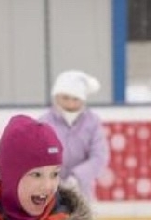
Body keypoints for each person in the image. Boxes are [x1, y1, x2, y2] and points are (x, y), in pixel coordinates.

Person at [39, 69, 109, 201]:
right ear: (56, 97)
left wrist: (77, 177)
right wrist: (52, 178)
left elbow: (99, 156)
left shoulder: (92, 122)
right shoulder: (43, 123)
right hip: (48, 191)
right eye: (65, 98)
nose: (70, 103)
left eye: (75, 99)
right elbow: (36, 157)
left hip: (82, 193)